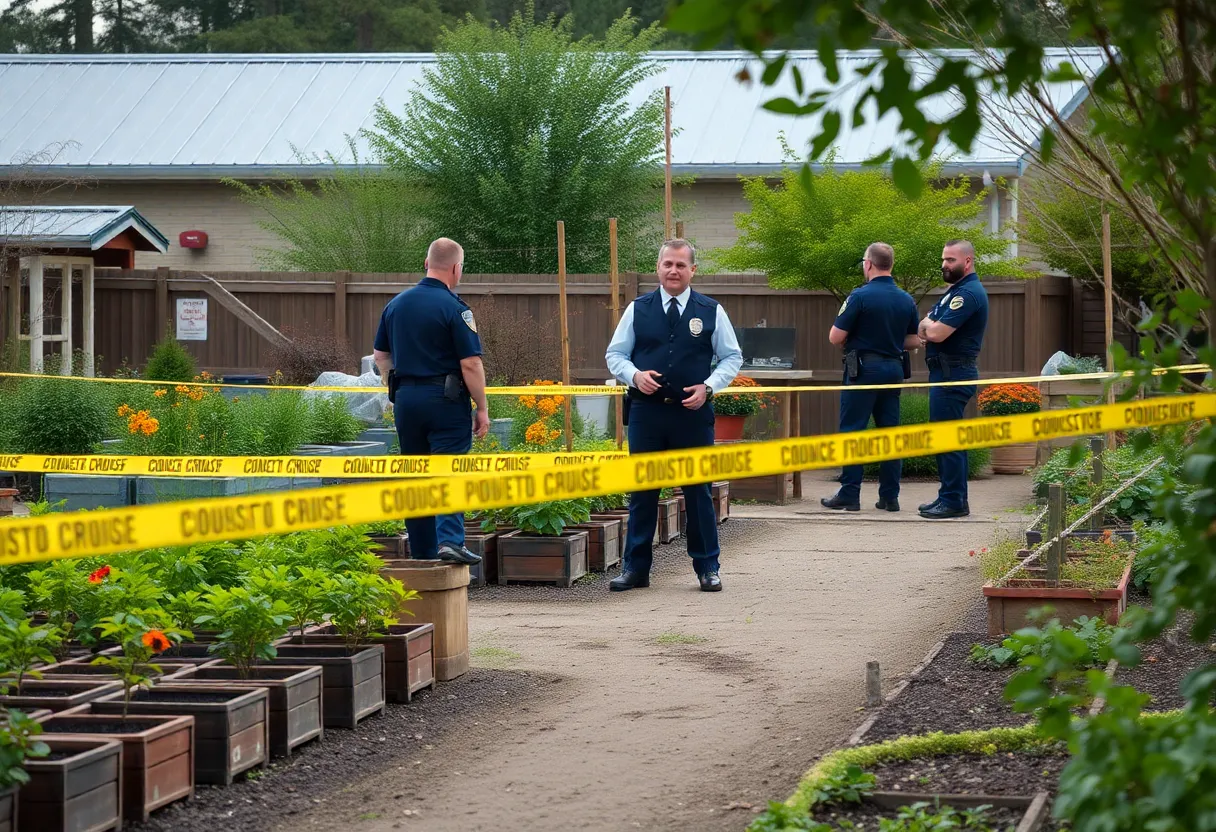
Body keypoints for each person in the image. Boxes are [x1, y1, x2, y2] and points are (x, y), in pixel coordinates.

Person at [605, 239, 743, 592]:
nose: (674, 271)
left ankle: (707, 567)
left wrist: (709, 387)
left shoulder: (711, 310)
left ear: (693, 270)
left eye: (681, 265)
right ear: (658, 267)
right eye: (668, 264)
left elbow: (732, 357)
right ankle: (635, 569)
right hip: (646, 414)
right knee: (643, 492)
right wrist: (634, 375)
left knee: (698, 492)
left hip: (692, 416)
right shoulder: (638, 308)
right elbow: (615, 354)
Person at [373, 237, 488, 564]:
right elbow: (471, 363)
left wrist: (398, 385)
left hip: (406, 400)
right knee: (448, 469)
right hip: (445, 399)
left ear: (426, 264)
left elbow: (381, 355)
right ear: (456, 268)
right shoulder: (456, 308)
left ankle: (423, 553)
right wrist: (482, 407)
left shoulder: (395, 305)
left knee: (417, 474)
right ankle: (450, 541)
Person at [821, 242, 922, 512]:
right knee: (890, 433)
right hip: (893, 369)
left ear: (868, 264)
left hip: (864, 370)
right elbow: (913, 340)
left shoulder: (859, 297)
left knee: (854, 431)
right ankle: (890, 497)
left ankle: (850, 495)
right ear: (891, 265)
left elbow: (835, 337)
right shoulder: (906, 299)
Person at [917, 239, 990, 519]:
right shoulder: (954, 292)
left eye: (951, 260)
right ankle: (950, 496)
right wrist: (928, 326)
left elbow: (934, 332)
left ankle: (953, 501)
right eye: (943, 260)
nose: (944, 265)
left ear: (967, 261)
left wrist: (927, 327)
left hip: (952, 373)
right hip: (945, 372)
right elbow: (928, 323)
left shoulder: (967, 294)